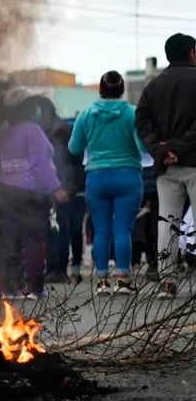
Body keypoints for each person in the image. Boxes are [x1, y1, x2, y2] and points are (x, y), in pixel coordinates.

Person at [68, 71, 147, 295]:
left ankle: (102, 281)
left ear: (100, 90)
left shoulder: (85, 114)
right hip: (128, 176)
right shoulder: (132, 113)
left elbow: (74, 147)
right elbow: (142, 146)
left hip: (97, 177)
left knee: (101, 230)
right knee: (123, 229)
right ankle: (122, 279)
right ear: (121, 90)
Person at [135, 33, 196, 298]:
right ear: (192, 52)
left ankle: (167, 283)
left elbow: (142, 120)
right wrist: (178, 147)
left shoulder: (153, 86)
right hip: (193, 162)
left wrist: (160, 149)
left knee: (166, 223)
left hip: (166, 168)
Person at [0, 87, 67, 299]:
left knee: (11, 240)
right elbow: (39, 164)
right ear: (27, 108)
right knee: (34, 240)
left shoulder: (2, 131)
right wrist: (56, 188)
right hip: (31, 195)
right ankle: (34, 288)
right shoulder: (32, 130)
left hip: (6, 191)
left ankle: (9, 288)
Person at [46, 122, 86, 285]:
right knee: (75, 232)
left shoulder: (56, 150)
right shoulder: (78, 148)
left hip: (64, 192)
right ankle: (75, 268)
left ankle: (56, 269)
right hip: (78, 192)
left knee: (59, 231)